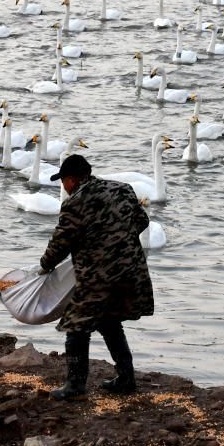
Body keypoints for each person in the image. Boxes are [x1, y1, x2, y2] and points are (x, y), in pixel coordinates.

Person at [39, 153, 154, 398]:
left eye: (63, 182)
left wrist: (44, 266)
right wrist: (116, 240)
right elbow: (142, 221)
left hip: (99, 275)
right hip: (133, 269)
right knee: (109, 321)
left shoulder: (75, 202)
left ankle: (75, 387)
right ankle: (126, 378)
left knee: (76, 325)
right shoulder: (123, 189)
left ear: (71, 180)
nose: (64, 187)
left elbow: (61, 243)